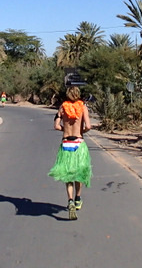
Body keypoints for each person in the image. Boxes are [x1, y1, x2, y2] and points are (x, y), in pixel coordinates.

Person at [48, 86, 92, 220]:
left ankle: (70, 200)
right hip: (79, 143)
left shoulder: (62, 107)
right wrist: (80, 133)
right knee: (79, 172)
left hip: (66, 142)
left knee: (67, 174)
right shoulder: (83, 107)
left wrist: (65, 130)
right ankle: (78, 199)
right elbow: (88, 126)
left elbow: (56, 126)